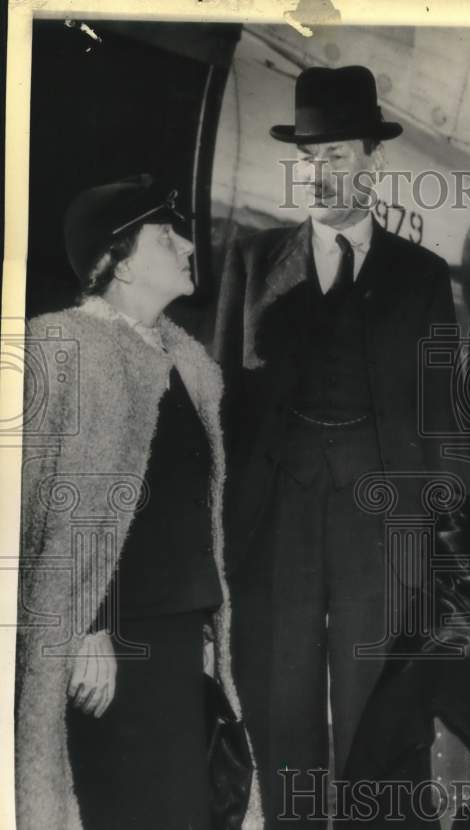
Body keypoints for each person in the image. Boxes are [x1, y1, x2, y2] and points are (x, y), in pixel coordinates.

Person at [213, 65, 462, 827]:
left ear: (372, 162)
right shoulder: (254, 261)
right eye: (310, 158)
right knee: (280, 698)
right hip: (276, 516)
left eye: (339, 157)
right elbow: (218, 397)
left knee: (375, 702)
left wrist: (439, 532)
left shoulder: (420, 276)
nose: (322, 175)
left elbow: (443, 412)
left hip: (381, 521)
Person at [15, 175, 261, 829]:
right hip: (114, 642)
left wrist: (207, 624)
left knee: (182, 812)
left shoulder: (189, 366)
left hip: (180, 636)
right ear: (119, 262)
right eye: (165, 235)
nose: (187, 244)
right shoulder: (60, 347)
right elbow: (41, 507)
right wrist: (88, 627)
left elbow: (183, 507)